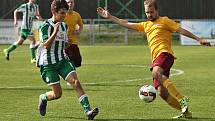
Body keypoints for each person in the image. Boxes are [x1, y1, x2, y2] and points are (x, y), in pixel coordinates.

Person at [97, 0, 210, 119]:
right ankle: (185, 111)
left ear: (157, 11)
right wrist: (109, 17)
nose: (149, 15)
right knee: (161, 92)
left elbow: (180, 30)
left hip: (165, 54)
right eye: (147, 12)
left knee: (156, 72)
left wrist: (198, 39)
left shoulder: (165, 21)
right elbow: (124, 23)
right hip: (156, 59)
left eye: (151, 12)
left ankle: (182, 99)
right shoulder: (145, 25)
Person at [37, 0, 98, 120]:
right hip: (48, 64)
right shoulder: (45, 26)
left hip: (62, 60)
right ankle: (43, 98)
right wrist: (55, 31)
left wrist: (67, 44)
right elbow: (46, 45)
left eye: (65, 13)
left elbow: (62, 44)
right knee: (57, 94)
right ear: (54, 12)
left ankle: (88, 111)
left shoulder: (64, 26)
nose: (64, 16)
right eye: (62, 13)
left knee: (76, 83)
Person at [64, 0, 83, 68]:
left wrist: (78, 31)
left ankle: (72, 75)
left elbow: (81, 26)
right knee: (68, 61)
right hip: (64, 43)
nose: (70, 4)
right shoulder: (63, 14)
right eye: (68, 2)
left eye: (72, 2)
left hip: (74, 42)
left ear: (74, 3)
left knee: (77, 62)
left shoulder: (76, 15)